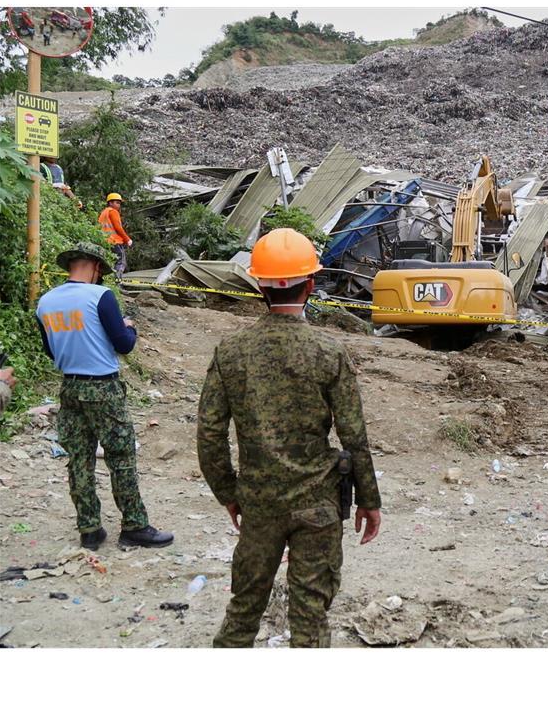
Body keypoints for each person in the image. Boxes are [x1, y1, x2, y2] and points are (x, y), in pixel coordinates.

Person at [197, 228, 382, 648]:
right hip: (317, 504)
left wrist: (229, 492)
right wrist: (369, 500)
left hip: (259, 504)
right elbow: (354, 433)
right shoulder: (328, 351)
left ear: (258, 285)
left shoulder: (230, 351)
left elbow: (209, 433)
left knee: (243, 610)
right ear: (311, 284)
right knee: (310, 615)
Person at [35, 241, 174, 551]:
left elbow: (49, 349)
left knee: (79, 459)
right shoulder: (101, 296)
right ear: (96, 267)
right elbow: (124, 344)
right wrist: (130, 328)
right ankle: (135, 526)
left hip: (69, 387)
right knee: (121, 457)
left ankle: (90, 529)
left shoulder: (45, 302)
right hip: (104, 388)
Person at [97, 193, 132, 280]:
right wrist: (127, 239)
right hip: (114, 241)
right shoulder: (113, 212)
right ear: (110, 203)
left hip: (104, 242)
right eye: (117, 202)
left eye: (119, 203)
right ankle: (117, 283)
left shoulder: (104, 213)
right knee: (121, 262)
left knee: (108, 262)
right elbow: (118, 228)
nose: (118, 205)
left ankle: (105, 281)